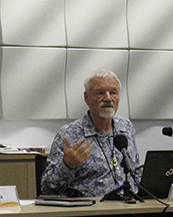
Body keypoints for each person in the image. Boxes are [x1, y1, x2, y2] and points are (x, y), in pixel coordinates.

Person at [40, 69, 142, 197]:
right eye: (100, 93)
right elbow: (47, 188)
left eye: (113, 93)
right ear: (87, 98)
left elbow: (136, 172)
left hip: (129, 207)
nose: (108, 98)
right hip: (89, 210)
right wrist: (67, 166)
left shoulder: (125, 127)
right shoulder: (69, 134)